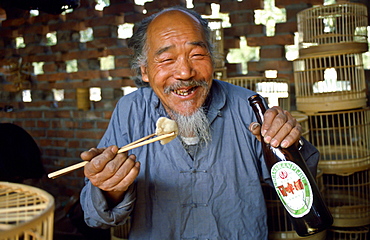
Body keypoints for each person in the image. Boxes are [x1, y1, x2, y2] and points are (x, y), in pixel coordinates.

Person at [80, 6, 319, 239]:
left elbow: (301, 187)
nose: (185, 72)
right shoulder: (129, 111)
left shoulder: (247, 105)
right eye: (166, 59)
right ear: (144, 71)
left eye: (197, 55)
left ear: (212, 60)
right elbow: (95, 218)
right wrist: (111, 188)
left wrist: (289, 144)